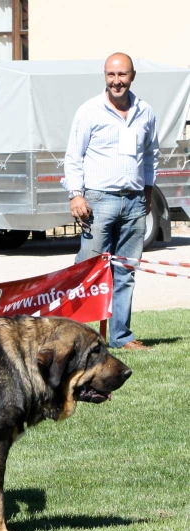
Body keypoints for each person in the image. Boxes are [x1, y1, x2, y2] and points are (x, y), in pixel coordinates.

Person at [63, 52, 159, 350]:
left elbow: (151, 156)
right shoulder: (89, 111)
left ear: (132, 76)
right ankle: (72, 336)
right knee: (86, 270)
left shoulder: (146, 112)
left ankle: (120, 336)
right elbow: (73, 157)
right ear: (105, 76)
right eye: (111, 75)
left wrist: (148, 192)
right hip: (98, 201)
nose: (116, 81)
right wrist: (76, 194)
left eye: (122, 75)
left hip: (134, 203)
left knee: (126, 271)